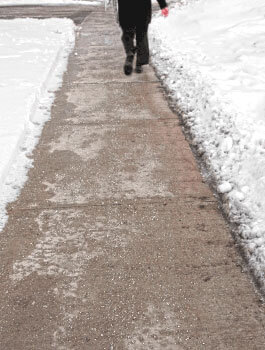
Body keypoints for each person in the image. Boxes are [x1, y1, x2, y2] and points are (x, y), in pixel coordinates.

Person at [117, 0, 169, 75]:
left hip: (125, 8)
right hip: (143, 8)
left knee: (127, 33)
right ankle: (139, 64)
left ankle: (130, 52)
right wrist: (163, 5)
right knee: (142, 36)